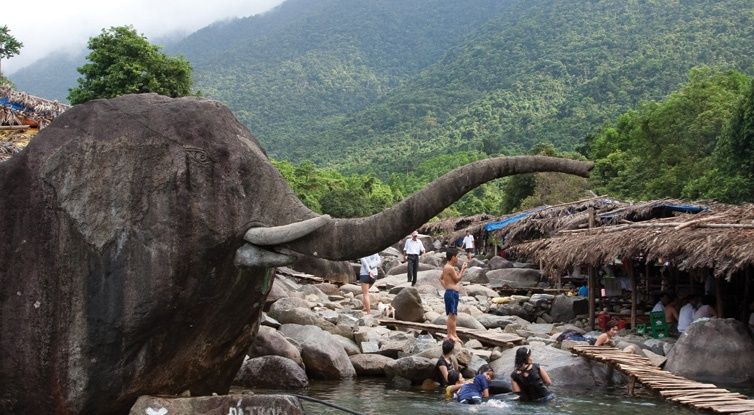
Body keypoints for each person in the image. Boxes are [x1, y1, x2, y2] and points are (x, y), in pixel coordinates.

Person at [440, 248, 467, 343]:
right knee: (452, 315)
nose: (458, 259)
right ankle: (450, 334)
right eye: (457, 256)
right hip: (451, 293)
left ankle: (454, 333)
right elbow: (457, 279)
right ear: (453, 257)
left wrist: (446, 287)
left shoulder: (446, 267)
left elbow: (440, 278)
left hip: (451, 292)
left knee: (453, 315)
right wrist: (463, 269)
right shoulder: (449, 268)